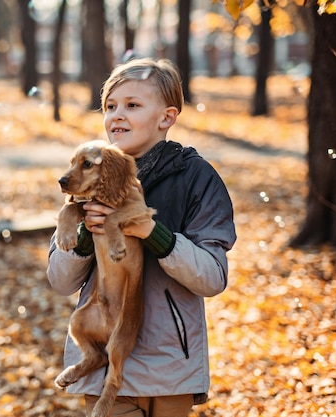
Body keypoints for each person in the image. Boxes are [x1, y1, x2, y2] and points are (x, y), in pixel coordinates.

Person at [47, 57, 237, 417]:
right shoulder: (87, 177)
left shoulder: (196, 178)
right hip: (104, 362)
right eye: (110, 106)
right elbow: (60, 280)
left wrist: (154, 234)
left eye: (132, 105)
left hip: (170, 366)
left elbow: (213, 277)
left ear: (166, 117)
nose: (117, 115)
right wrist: (85, 235)